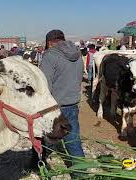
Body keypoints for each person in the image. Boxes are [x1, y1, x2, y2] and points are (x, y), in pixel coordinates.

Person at [40, 29, 84, 158]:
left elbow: (44, 85)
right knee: (73, 139)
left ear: (49, 43)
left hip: (54, 106)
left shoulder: (50, 55)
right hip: (73, 103)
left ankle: (38, 162)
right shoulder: (78, 54)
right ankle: (81, 172)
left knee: (42, 134)